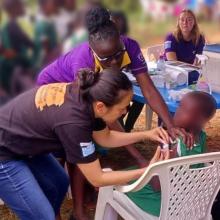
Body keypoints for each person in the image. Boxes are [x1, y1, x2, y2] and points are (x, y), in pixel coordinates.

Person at [0, 68, 170, 220]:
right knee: (41, 215)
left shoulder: (89, 98)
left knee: (58, 183)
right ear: (102, 107)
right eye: (123, 108)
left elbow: (106, 137)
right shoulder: (75, 122)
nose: (125, 112)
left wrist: (147, 134)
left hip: (21, 144)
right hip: (4, 154)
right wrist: (146, 171)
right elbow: (97, 178)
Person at [126, 91, 217, 217]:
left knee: (123, 179)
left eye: (183, 110)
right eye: (180, 107)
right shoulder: (201, 137)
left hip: (162, 203)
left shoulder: (172, 141)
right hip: (186, 197)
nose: (177, 113)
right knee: (133, 170)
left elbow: (157, 185)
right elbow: (202, 166)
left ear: (199, 119)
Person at [1, 0, 35, 95]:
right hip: (18, 70)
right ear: (13, 9)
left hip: (10, 72)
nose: (22, 8)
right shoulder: (13, 26)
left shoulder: (5, 27)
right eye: (20, 6)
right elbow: (30, 44)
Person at [34, 0, 60, 69]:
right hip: (46, 61)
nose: (54, 5)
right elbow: (45, 46)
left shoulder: (49, 21)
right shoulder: (42, 24)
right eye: (51, 3)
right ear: (44, 6)